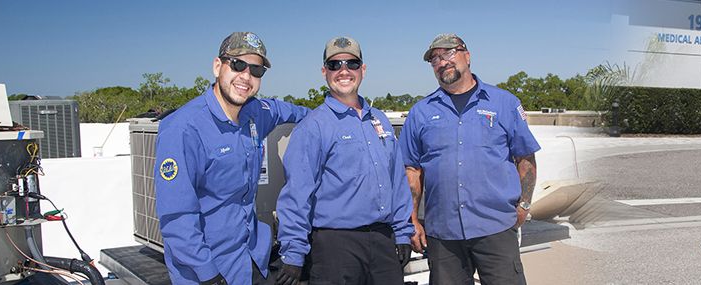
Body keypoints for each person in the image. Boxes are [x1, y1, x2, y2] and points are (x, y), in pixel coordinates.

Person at [155, 32, 310, 285]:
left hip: (250, 258)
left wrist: (334, 117)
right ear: (218, 66)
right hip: (206, 271)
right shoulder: (183, 129)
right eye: (237, 65)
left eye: (256, 70)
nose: (246, 76)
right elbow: (177, 217)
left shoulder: (256, 113)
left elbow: (297, 112)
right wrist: (208, 274)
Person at [270, 36, 416, 285]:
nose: (344, 71)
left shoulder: (379, 120)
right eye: (335, 65)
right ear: (324, 71)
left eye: (352, 63)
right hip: (335, 248)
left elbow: (397, 181)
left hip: (383, 241)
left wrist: (403, 233)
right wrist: (293, 254)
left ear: (363, 70)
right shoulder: (313, 127)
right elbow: (296, 195)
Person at [399, 34, 541, 285]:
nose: (442, 62)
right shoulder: (421, 113)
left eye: (449, 53)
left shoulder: (504, 103)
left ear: (467, 55)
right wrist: (412, 220)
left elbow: (525, 158)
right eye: (434, 59)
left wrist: (524, 206)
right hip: (444, 235)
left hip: (496, 228)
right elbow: (412, 170)